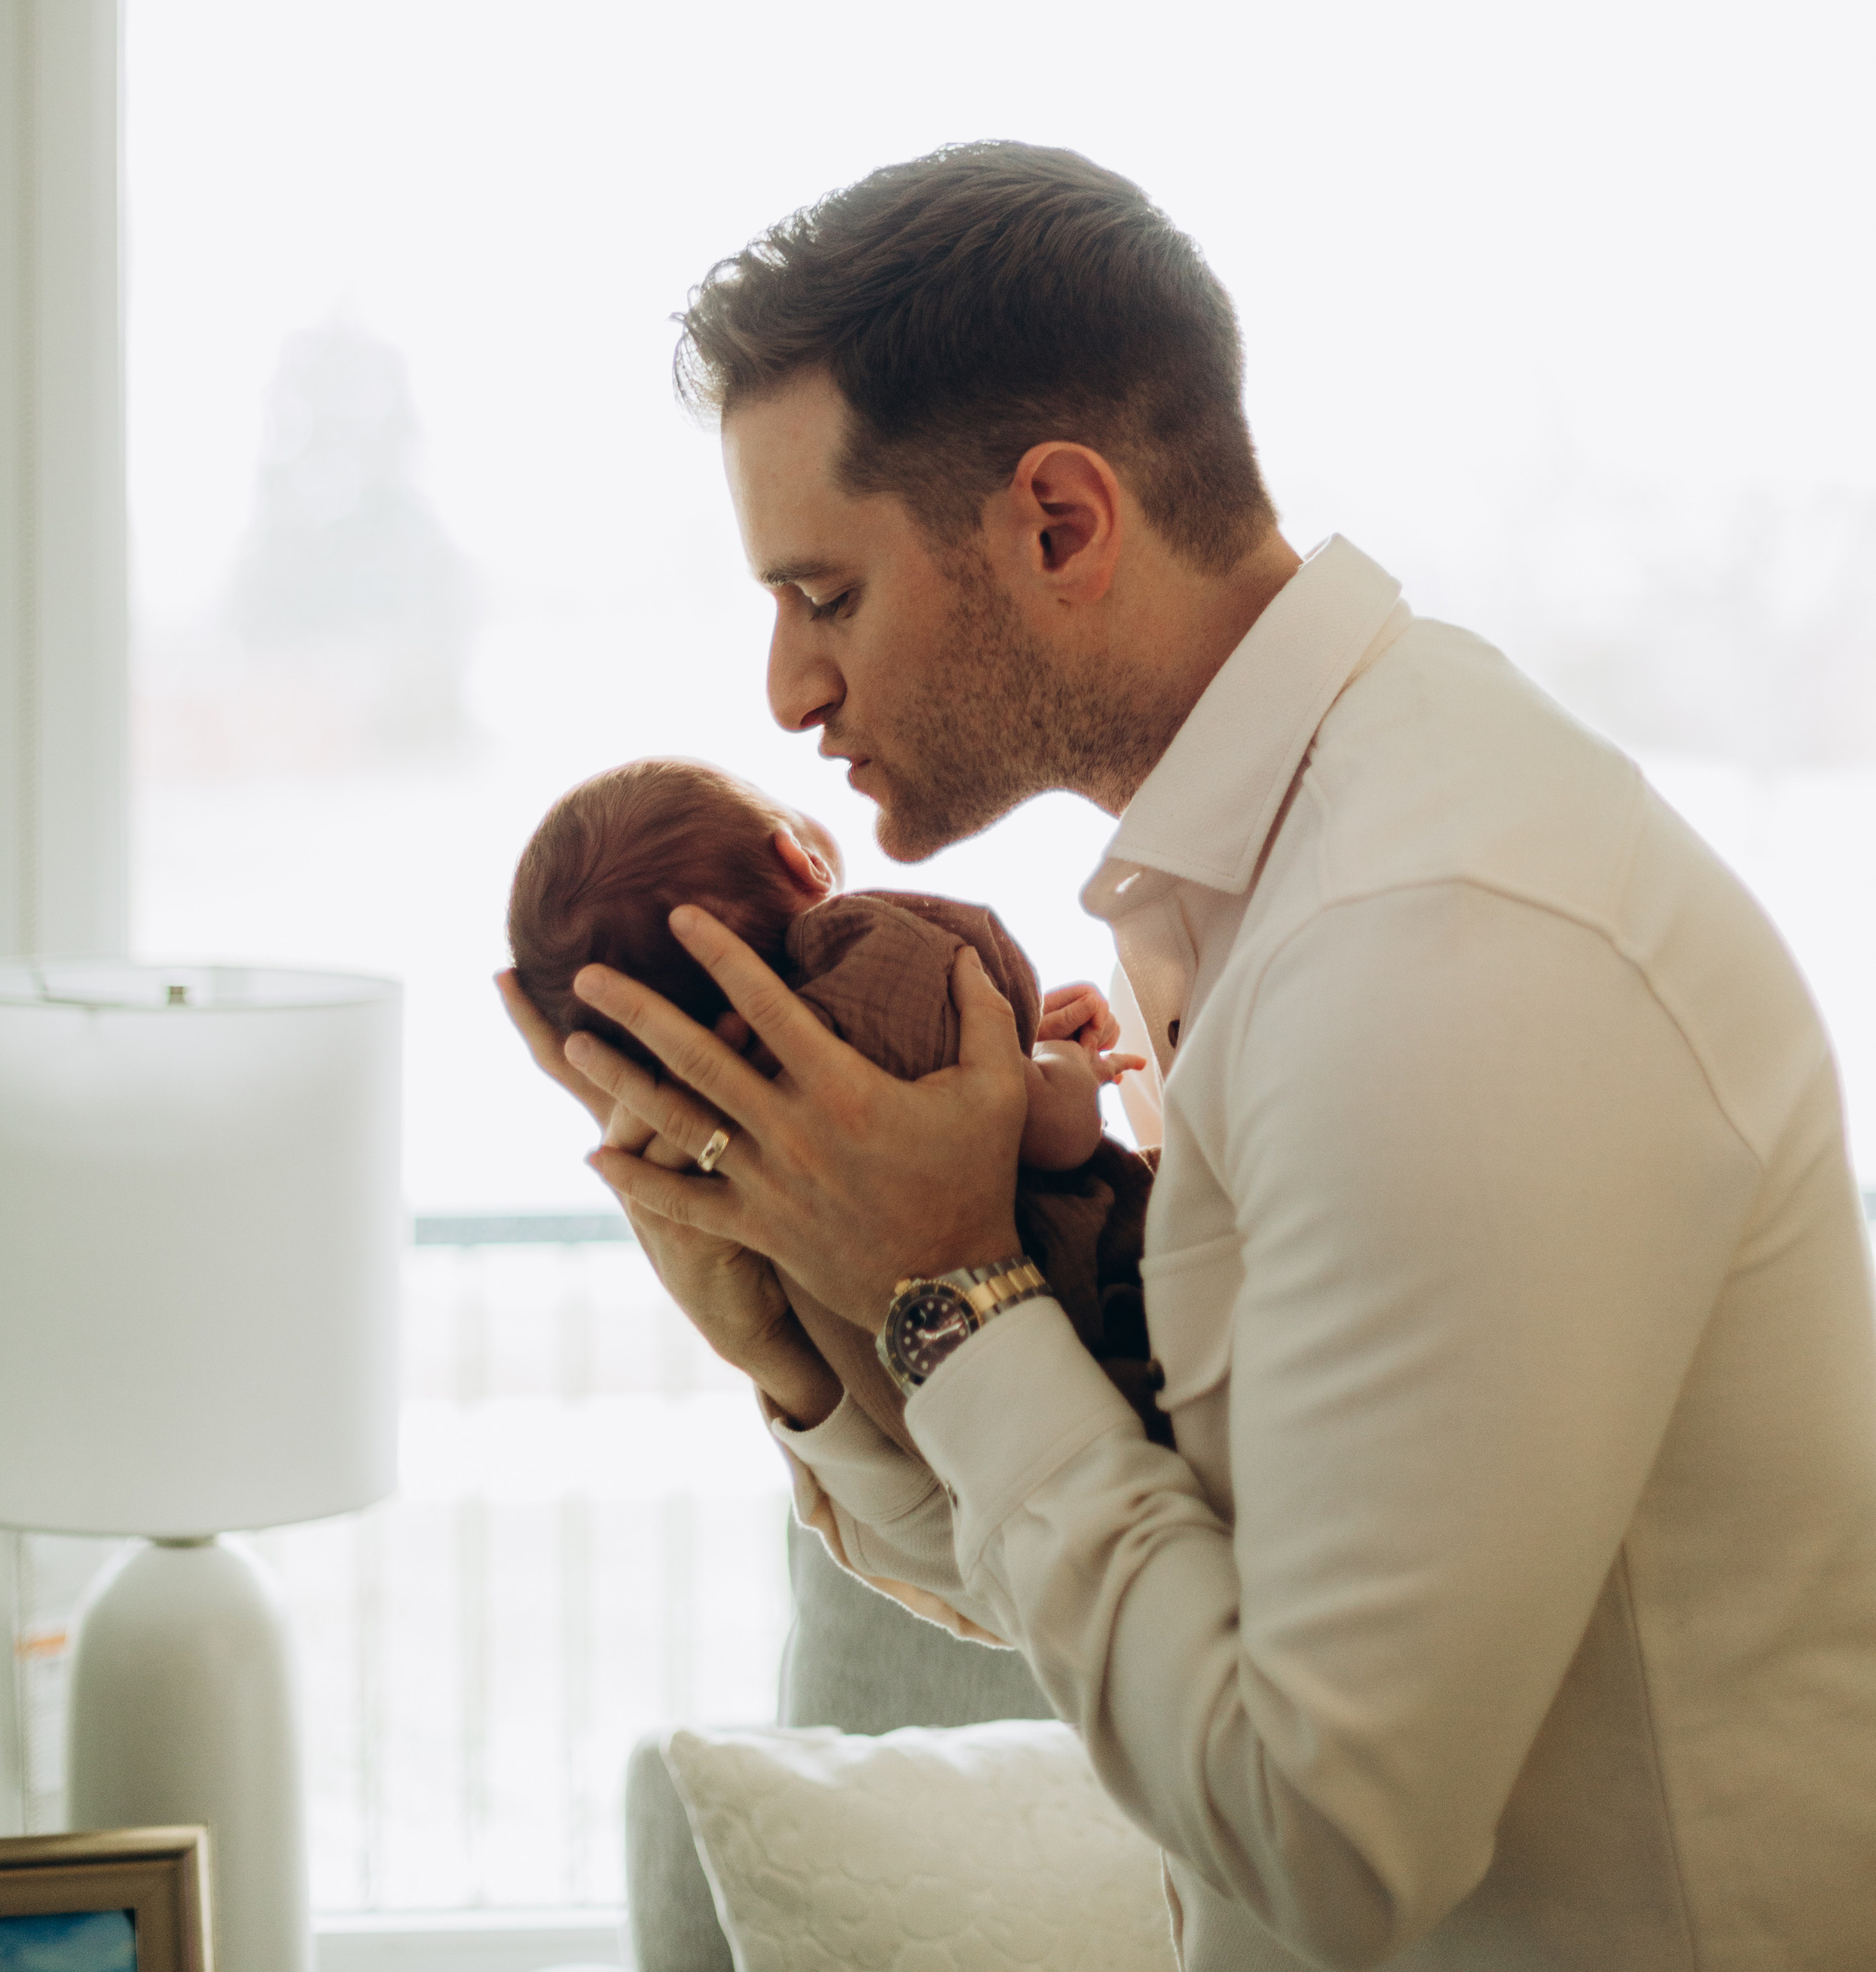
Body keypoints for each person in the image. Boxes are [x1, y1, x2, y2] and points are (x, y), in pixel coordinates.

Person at [503, 141, 1876, 1970]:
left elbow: (1322, 1843)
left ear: (1059, 522)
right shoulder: (1266, 886)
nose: (783, 693)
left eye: (824, 596)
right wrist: (806, 1342)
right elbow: (1141, 1598)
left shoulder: (1433, 956)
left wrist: (944, 1292)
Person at [504, 754, 1157, 1446]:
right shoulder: (885, 958)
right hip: (1094, 1340)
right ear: (803, 860)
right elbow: (1059, 1133)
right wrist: (1066, 1065)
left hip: (938, 1434)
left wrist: (1011, 1044)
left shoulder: (729, 1138)